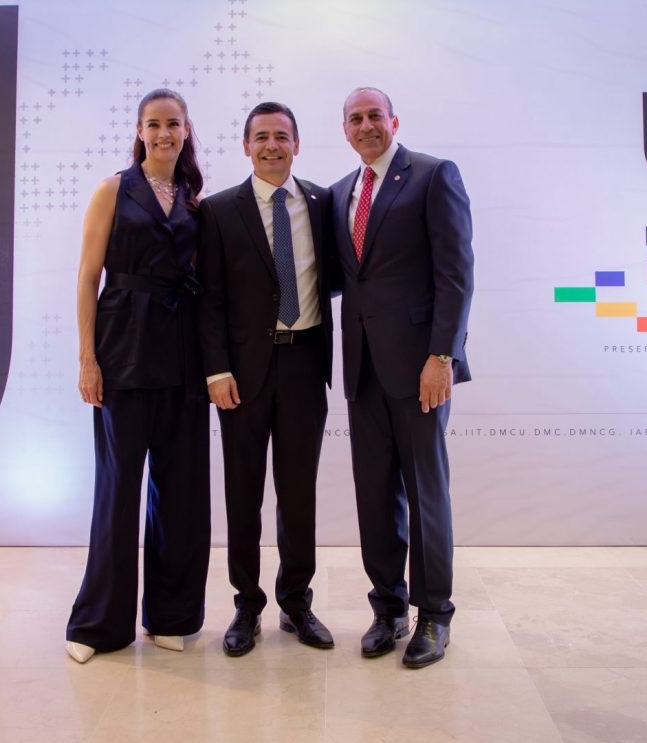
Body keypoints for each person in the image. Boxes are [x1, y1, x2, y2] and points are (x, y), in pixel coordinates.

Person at [330, 87, 473, 669]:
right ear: (344, 129)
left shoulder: (433, 176)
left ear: (394, 121)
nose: (365, 126)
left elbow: (456, 274)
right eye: (355, 119)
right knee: (374, 494)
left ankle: (434, 614)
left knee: (425, 493)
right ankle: (388, 607)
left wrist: (442, 357)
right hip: (362, 368)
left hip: (420, 369)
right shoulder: (341, 192)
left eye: (374, 116)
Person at [66, 89, 210, 664]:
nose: (163, 133)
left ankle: (171, 617)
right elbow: (87, 276)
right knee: (117, 489)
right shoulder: (113, 189)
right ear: (139, 131)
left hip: (182, 356)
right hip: (122, 349)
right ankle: (99, 625)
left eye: (173, 123)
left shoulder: (196, 200)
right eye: (154, 124)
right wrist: (87, 358)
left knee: (180, 490)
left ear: (186, 130)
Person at [197, 102, 336, 657]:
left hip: (305, 363)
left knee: (298, 493)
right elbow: (209, 299)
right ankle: (247, 604)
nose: (271, 146)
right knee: (244, 492)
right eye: (261, 137)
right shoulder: (218, 211)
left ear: (297, 144)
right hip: (243, 372)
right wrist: (216, 369)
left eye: (281, 136)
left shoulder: (323, 204)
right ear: (245, 146)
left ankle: (296, 601)